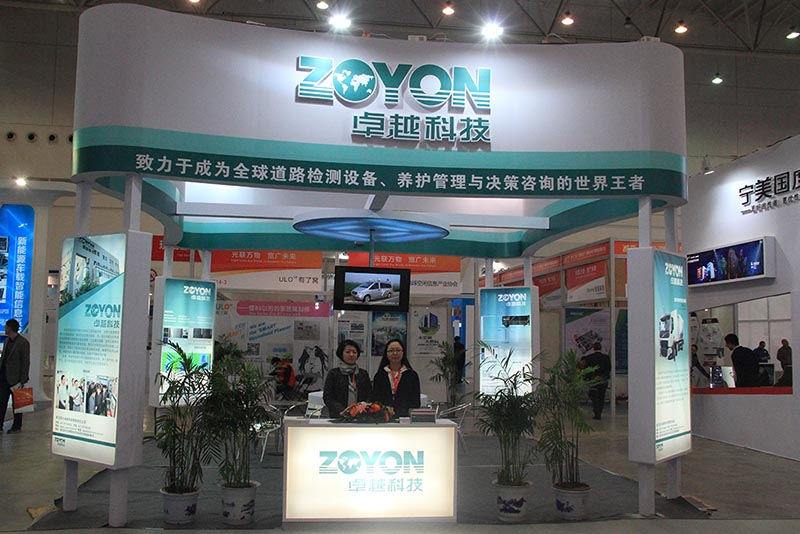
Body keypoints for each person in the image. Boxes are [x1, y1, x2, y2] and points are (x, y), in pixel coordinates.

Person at [323, 339, 371, 418]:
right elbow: (328, 397)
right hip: (339, 416)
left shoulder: (363, 374)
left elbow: (369, 395)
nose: (351, 355)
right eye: (348, 352)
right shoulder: (334, 374)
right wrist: (344, 411)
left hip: (361, 416)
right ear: (341, 354)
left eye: (354, 352)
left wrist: (363, 407)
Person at [373, 339, 420, 417]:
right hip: (383, 418)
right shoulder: (380, 375)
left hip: (405, 418)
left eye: (398, 350)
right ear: (386, 354)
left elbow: (416, 402)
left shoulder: (412, 375)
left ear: (403, 353)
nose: (395, 353)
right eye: (391, 351)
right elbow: (375, 400)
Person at [0, 319, 31, 433]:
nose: (4, 328)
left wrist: (22, 380)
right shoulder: (7, 341)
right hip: (4, 378)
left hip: (16, 379)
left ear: (10, 328)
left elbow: (25, 362)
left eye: (6, 326)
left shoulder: (23, 343)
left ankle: (17, 426)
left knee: (18, 404)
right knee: (1, 402)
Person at [583, 342, 611, 420]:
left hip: (593, 380)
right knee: (601, 396)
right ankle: (599, 412)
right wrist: (602, 376)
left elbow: (587, 370)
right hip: (603, 380)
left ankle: (596, 411)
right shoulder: (606, 358)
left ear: (593, 348)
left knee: (594, 396)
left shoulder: (589, 357)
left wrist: (589, 378)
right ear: (601, 348)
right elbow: (608, 369)